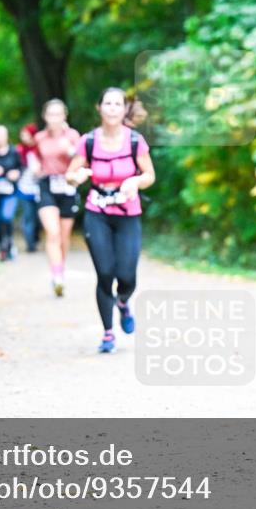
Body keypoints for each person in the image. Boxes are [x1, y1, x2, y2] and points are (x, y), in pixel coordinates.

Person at [67, 87, 155, 354]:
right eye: (108, 103)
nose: (113, 108)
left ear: (124, 109)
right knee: (105, 273)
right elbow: (70, 174)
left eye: (118, 104)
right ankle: (107, 333)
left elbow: (149, 175)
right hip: (98, 211)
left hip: (128, 212)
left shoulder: (135, 141)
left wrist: (135, 181)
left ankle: (124, 302)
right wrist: (77, 177)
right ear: (100, 108)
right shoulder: (89, 141)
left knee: (127, 276)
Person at [33, 99, 82, 296]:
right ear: (45, 117)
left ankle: (60, 267)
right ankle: (57, 277)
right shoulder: (40, 138)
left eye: (58, 114)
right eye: (50, 114)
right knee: (52, 233)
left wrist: (68, 148)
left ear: (64, 116)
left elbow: (81, 159)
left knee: (63, 236)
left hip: (68, 184)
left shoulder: (72, 136)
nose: (54, 118)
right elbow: (36, 157)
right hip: (47, 185)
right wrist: (35, 167)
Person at [0, 125, 22, 261]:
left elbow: (22, 168)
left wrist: (16, 173)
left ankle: (9, 243)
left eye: (2, 135)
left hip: (10, 192)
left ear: (7, 136)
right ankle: (2, 247)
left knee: (6, 217)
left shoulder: (14, 152)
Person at [16, 123, 41, 252]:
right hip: (24, 188)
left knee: (38, 218)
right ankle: (30, 244)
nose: (23, 137)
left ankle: (35, 238)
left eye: (25, 134)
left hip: (39, 189)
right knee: (27, 217)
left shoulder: (40, 149)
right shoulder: (19, 151)